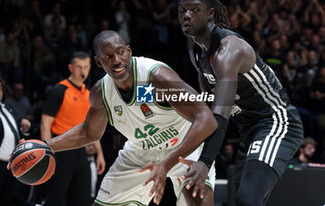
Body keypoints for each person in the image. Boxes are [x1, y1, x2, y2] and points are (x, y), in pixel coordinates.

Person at [35, 30, 219, 206]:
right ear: (99, 62)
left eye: (120, 52)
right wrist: (46, 146)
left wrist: (164, 165)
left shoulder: (157, 76)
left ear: (129, 51)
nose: (117, 61)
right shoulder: (101, 92)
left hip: (184, 145)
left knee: (198, 197)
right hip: (140, 150)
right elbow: (87, 132)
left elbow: (206, 119)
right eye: (108, 57)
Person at [175, 0, 303, 206]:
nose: (186, 15)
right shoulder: (196, 52)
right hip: (248, 129)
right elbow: (208, 109)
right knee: (243, 200)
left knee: (247, 200)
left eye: (195, 10)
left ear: (210, 14)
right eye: (183, 10)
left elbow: (220, 114)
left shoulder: (228, 50)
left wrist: (205, 162)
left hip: (276, 123)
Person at [40, 52, 106, 206]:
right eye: (78, 67)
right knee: (55, 197)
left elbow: (92, 129)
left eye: (85, 67)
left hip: (81, 151)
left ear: (90, 68)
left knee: (83, 197)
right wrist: (48, 152)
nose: (82, 71)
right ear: (70, 68)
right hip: (61, 149)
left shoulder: (89, 94)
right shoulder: (59, 90)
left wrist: (100, 154)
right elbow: (45, 124)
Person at [0, 74, 31, 206]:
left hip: (12, 165)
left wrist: (23, 124)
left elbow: (12, 126)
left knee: (8, 201)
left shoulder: (6, 108)